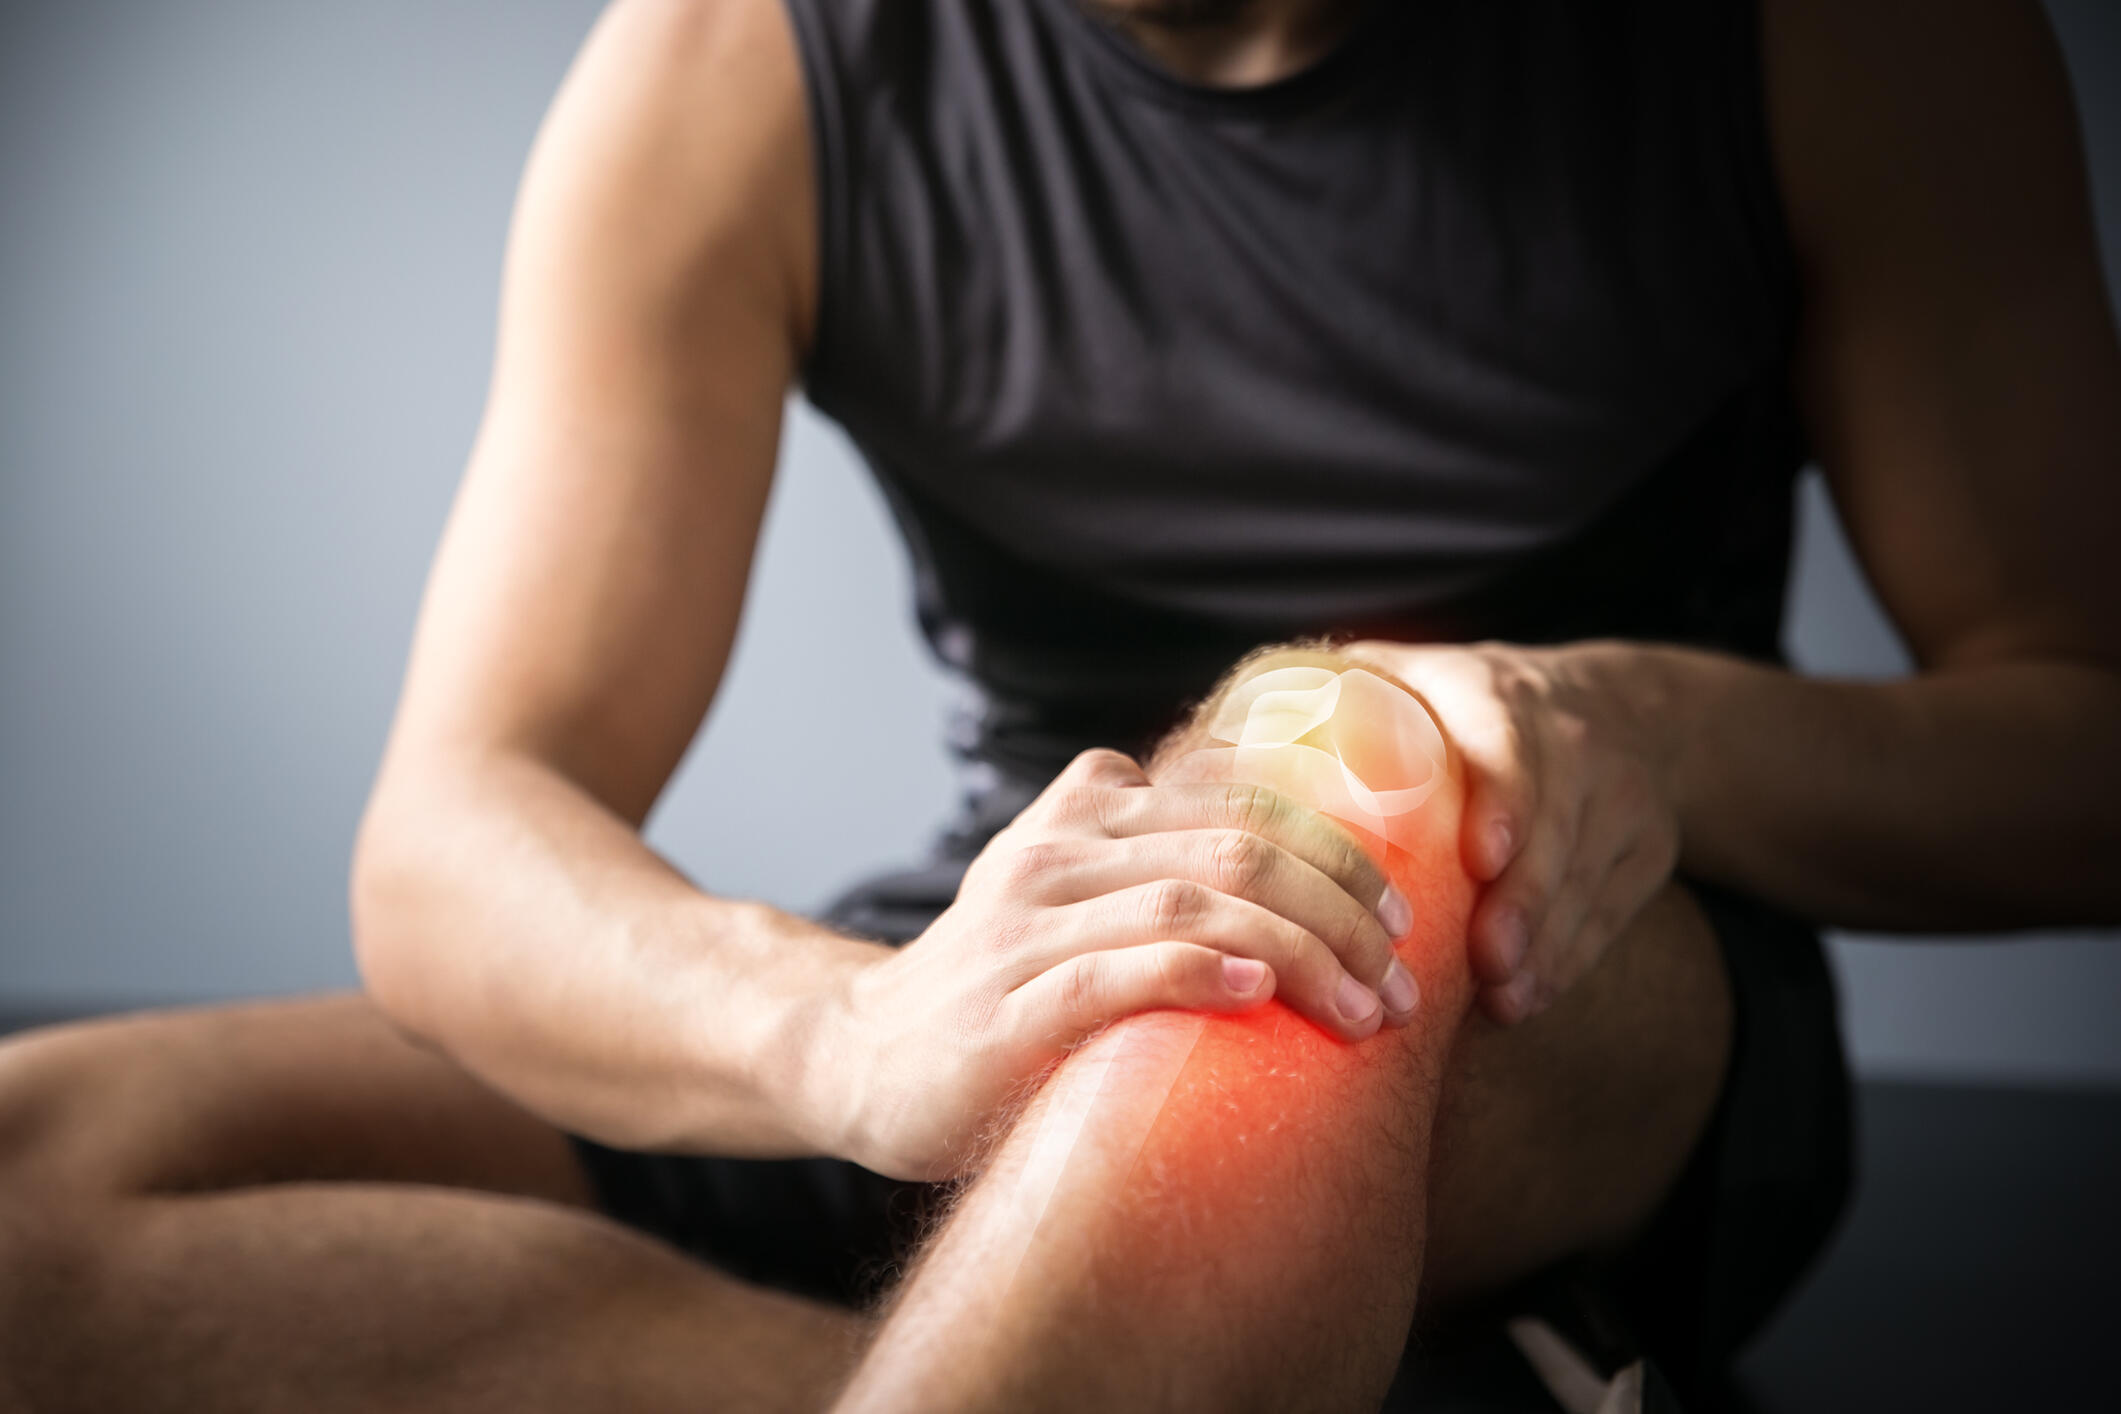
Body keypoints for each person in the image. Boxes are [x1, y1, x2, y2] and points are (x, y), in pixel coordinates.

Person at [3, 0, 2118, 1409]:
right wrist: (844, 1032)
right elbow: (452, 835)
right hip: (1021, 936)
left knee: (1330, 755)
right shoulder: (742, 58)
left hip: (1568, 961)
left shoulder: (1838, 38)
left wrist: (1638, 721)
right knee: (42, 1180)